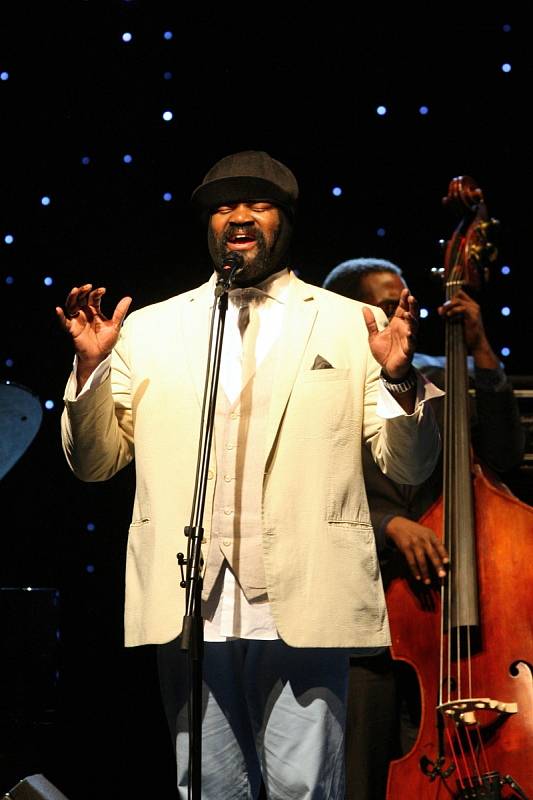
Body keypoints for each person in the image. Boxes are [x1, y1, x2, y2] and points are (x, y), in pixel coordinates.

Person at [57, 152, 442, 800]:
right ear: (207, 225)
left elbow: (407, 464)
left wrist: (400, 378)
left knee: (303, 787)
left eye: (256, 204)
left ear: (283, 221)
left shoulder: (351, 322)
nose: (238, 216)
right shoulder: (149, 329)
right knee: (206, 787)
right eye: (222, 206)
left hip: (306, 593)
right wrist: (91, 372)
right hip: (190, 604)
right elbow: (94, 465)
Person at [322, 256, 525, 800]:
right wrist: (390, 525)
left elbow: (505, 455)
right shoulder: (321, 388)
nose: (404, 313)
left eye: (407, 301)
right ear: (350, 314)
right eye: (389, 305)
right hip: (366, 606)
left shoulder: (437, 372)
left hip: (453, 601)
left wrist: (479, 348)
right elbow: (311, 493)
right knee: (364, 772)